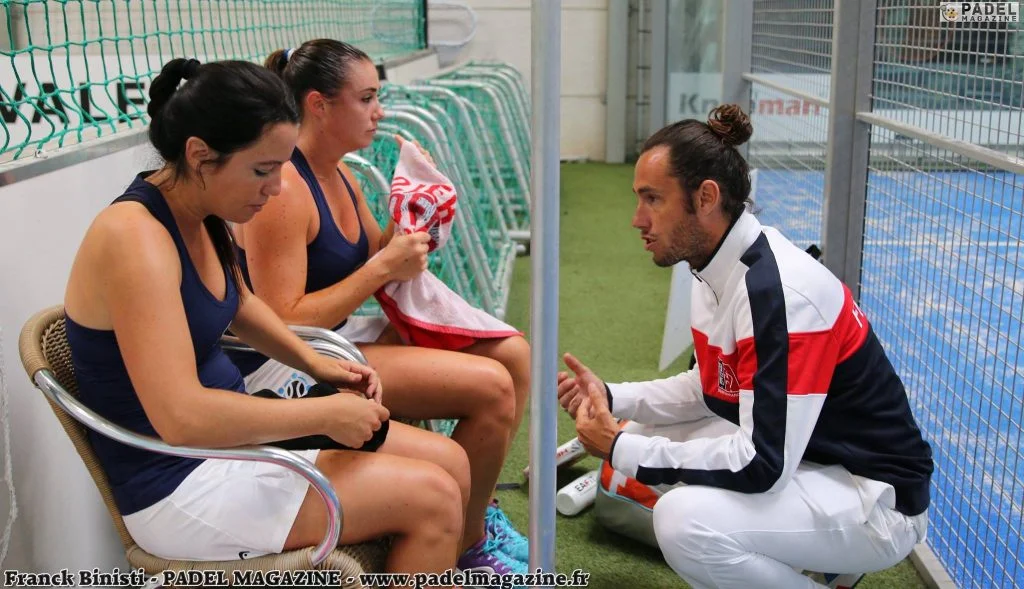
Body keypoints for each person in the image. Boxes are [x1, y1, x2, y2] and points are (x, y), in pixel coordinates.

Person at [63, 57, 470, 581]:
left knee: (453, 466)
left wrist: (318, 365)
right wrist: (322, 417)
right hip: (182, 482)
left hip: (236, 444)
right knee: (432, 498)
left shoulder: (199, 209)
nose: (277, 188)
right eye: (263, 169)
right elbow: (180, 418)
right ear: (200, 155)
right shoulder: (135, 239)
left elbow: (240, 303)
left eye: (281, 166)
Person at [557, 104, 934, 589]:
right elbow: (709, 389)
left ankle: (830, 560)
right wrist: (613, 397)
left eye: (652, 199)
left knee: (682, 520)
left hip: (873, 496)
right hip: (815, 460)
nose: (637, 219)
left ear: (706, 197)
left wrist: (619, 447)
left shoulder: (777, 294)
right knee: (652, 430)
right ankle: (813, 564)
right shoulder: (718, 263)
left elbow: (761, 465)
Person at [229, 39, 530, 573]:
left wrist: (415, 208)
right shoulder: (287, 189)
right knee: (494, 387)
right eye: (366, 98)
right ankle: (468, 543)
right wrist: (384, 265)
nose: (380, 112)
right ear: (320, 105)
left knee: (513, 356)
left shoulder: (341, 173)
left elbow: (376, 257)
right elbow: (282, 322)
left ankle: (474, 521)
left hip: (345, 338)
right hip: (299, 362)